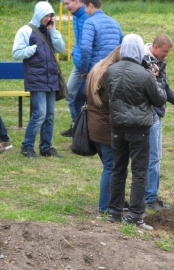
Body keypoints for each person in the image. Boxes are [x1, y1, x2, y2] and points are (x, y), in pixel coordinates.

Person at [105, 34, 167, 230]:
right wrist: (156, 79)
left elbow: (109, 93)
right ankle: (135, 215)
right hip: (139, 128)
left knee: (118, 169)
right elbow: (159, 99)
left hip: (117, 127)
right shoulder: (145, 74)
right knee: (139, 172)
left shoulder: (110, 70)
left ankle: (114, 212)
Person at [142, 33, 174, 211]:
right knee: (153, 157)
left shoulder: (159, 63)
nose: (167, 55)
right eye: (164, 51)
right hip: (148, 115)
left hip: (157, 115)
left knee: (155, 157)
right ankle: (149, 197)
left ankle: (150, 195)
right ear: (155, 47)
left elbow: (165, 89)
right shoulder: (144, 63)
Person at [12, 1, 65, 158]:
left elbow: (61, 48)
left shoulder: (50, 30)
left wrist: (54, 30)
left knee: (50, 115)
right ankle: (27, 146)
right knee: (40, 114)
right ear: (38, 14)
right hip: (36, 79)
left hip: (51, 79)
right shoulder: (25, 31)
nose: (48, 18)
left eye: (50, 15)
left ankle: (46, 147)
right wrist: (32, 49)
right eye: (46, 15)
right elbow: (16, 53)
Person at [72, 0, 124, 122]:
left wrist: (84, 71)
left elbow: (85, 49)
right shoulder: (115, 23)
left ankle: (80, 135)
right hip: (112, 72)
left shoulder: (90, 23)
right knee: (105, 106)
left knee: (78, 103)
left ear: (90, 5)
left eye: (85, 7)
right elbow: (122, 46)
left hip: (95, 72)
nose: (84, 10)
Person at [86, 46, 121, 216]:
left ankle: (113, 201)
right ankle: (105, 206)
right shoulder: (109, 75)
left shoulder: (98, 68)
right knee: (111, 166)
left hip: (94, 124)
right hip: (105, 127)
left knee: (110, 165)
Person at [60, 0, 88, 137]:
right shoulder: (76, 16)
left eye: (67, 3)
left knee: (82, 98)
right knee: (70, 93)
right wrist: (74, 52)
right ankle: (76, 126)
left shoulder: (87, 16)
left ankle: (83, 129)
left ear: (77, 1)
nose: (66, 7)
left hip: (87, 64)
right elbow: (79, 41)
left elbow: (88, 44)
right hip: (79, 62)